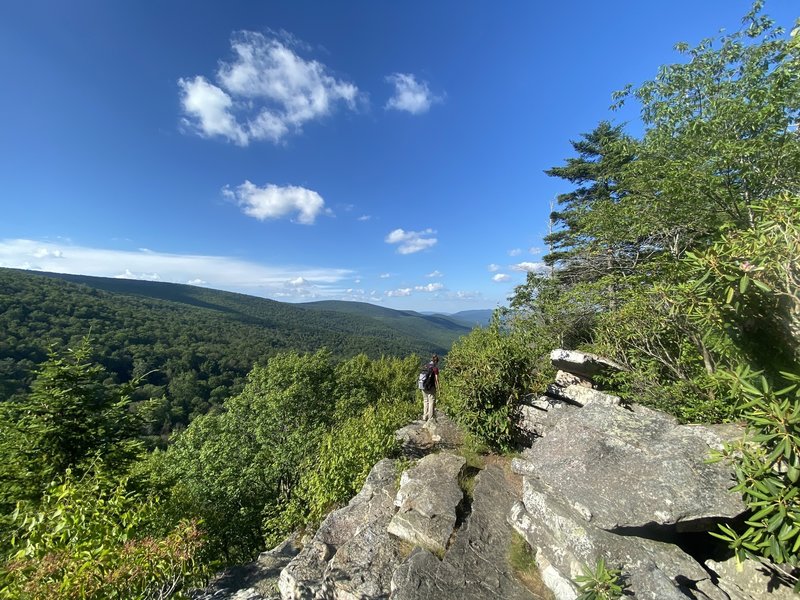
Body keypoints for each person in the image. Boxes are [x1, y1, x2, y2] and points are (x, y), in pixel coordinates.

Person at [422, 354, 440, 421]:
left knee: (425, 401)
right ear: (436, 361)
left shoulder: (426, 366)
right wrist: (438, 388)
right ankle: (430, 417)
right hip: (430, 386)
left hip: (423, 386)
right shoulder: (435, 368)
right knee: (431, 401)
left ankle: (424, 416)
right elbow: (436, 379)